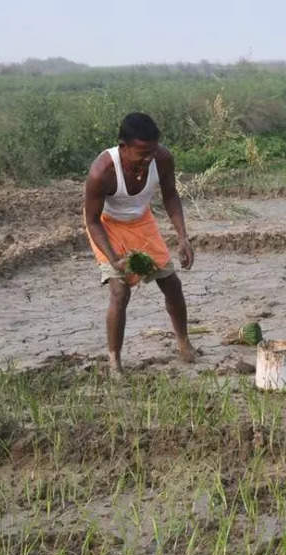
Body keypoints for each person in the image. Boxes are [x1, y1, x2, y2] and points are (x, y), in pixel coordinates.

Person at [83, 112, 195, 376]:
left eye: (152, 152)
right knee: (120, 291)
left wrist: (183, 237)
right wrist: (113, 259)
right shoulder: (102, 172)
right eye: (142, 153)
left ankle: (183, 342)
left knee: (171, 283)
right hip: (106, 224)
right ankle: (114, 363)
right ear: (123, 147)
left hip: (141, 221)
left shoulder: (163, 159)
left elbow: (170, 195)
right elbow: (92, 220)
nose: (148, 160)